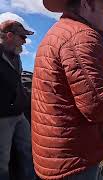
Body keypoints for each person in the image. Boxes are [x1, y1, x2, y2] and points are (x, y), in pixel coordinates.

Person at [32, 0, 103, 179]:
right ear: (85, 3)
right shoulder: (82, 37)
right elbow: (100, 106)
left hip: (56, 153)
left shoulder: (57, 33)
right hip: (75, 158)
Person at [0, 20, 36, 180]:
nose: (25, 41)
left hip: (19, 113)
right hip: (2, 117)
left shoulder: (16, 57)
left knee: (27, 150)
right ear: (9, 35)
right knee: (2, 159)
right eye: (22, 37)